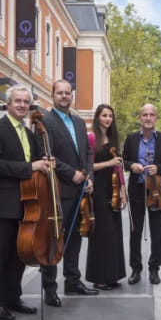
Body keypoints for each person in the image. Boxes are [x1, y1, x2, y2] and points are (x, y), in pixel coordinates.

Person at [0, 85, 51, 320]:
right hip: (2, 204)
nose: (22, 105)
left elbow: (33, 164)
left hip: (26, 203)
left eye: (25, 102)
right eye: (17, 101)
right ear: (8, 103)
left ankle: (13, 297)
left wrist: (42, 162)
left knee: (19, 254)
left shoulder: (30, 133)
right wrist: (30, 167)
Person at [40, 79, 98, 299]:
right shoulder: (45, 121)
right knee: (54, 240)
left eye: (67, 93)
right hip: (58, 190)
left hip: (80, 190)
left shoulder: (79, 123)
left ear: (71, 95)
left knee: (75, 239)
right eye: (60, 93)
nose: (64, 96)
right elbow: (47, 155)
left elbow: (88, 154)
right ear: (53, 95)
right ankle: (50, 289)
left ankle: (73, 281)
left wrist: (89, 176)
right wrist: (71, 173)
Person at [122, 104, 161, 285]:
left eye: (151, 115)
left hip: (157, 191)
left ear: (156, 118)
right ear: (140, 117)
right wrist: (132, 166)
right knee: (135, 232)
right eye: (145, 114)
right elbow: (124, 161)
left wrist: (158, 168)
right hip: (137, 190)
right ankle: (135, 269)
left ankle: (154, 269)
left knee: (156, 232)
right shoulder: (130, 139)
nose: (148, 118)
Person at [85, 104, 127, 290]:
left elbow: (118, 167)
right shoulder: (92, 138)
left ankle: (113, 276)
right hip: (98, 189)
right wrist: (108, 162)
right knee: (102, 234)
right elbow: (87, 167)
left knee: (115, 234)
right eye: (104, 115)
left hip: (113, 189)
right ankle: (98, 277)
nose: (108, 119)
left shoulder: (113, 138)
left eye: (110, 116)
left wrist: (123, 189)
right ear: (98, 117)